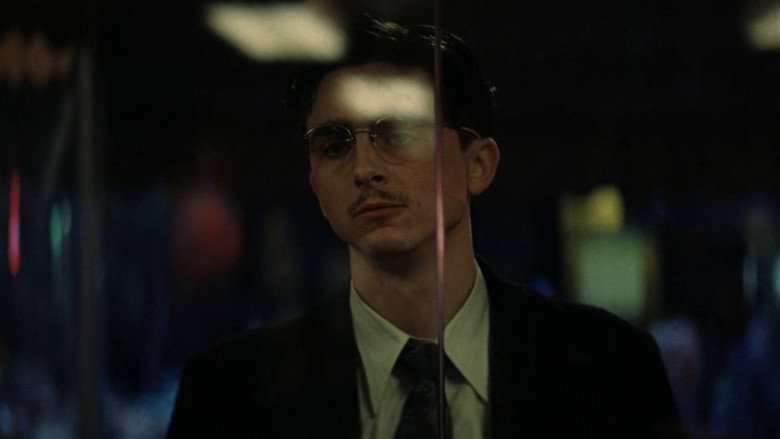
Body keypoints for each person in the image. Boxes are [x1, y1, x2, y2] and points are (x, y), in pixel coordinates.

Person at [168, 17, 682, 438]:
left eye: (398, 134)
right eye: (335, 145)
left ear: (478, 164)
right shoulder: (230, 394)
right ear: (316, 186)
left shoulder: (610, 368)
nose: (364, 167)